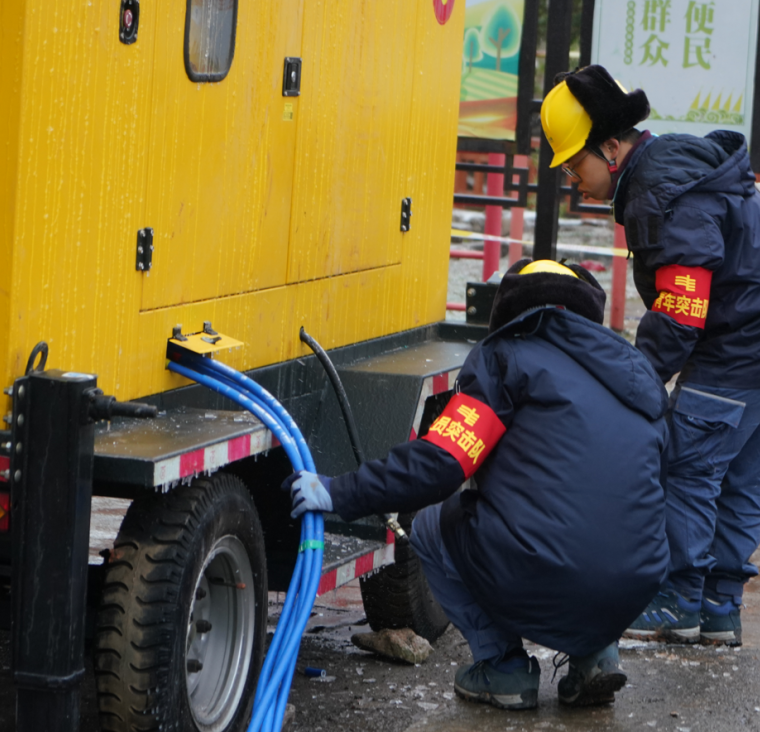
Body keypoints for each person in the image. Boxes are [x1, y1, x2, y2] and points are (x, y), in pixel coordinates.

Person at [539, 65, 760, 646]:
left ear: (610, 147)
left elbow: (682, 309)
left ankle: (678, 599)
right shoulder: (672, 169)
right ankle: (721, 606)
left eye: (575, 165)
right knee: (743, 473)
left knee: (686, 464)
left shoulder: (661, 192)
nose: (573, 179)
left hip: (742, 341)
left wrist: (635, 379)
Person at [284, 260, 669, 710]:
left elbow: (442, 464)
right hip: (636, 583)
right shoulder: (635, 376)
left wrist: (339, 491)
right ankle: (595, 654)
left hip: (540, 570)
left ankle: (503, 667)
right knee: (607, 525)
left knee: (431, 524)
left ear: (511, 309)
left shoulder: (505, 359)